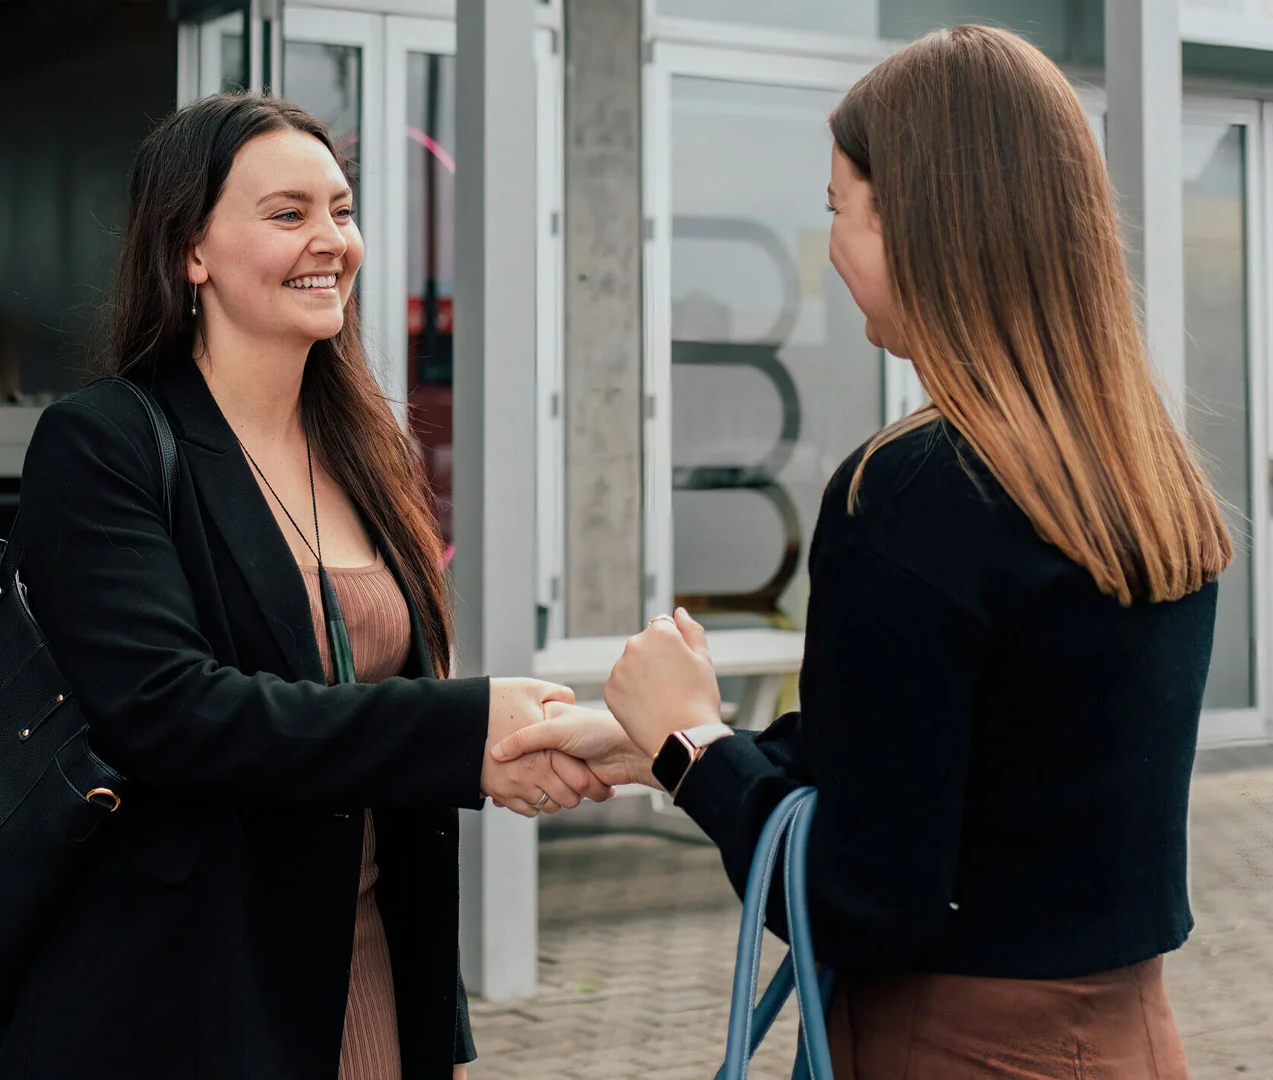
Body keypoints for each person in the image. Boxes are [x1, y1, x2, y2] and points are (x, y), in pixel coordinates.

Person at [495, 25, 1227, 1079]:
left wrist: (696, 754)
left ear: (919, 221)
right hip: (1129, 1038)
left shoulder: (917, 488)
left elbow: (864, 901)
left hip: (959, 1044)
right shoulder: (1145, 477)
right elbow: (950, 760)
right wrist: (664, 744)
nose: (830, 243)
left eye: (840, 206)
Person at [0, 93, 609, 1079]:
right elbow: (170, 711)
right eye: (288, 215)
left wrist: (569, 740)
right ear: (190, 250)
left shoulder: (367, 448)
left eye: (343, 209)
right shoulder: (104, 442)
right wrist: (466, 732)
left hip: (363, 965)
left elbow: (381, 717)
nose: (331, 241)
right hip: (182, 995)